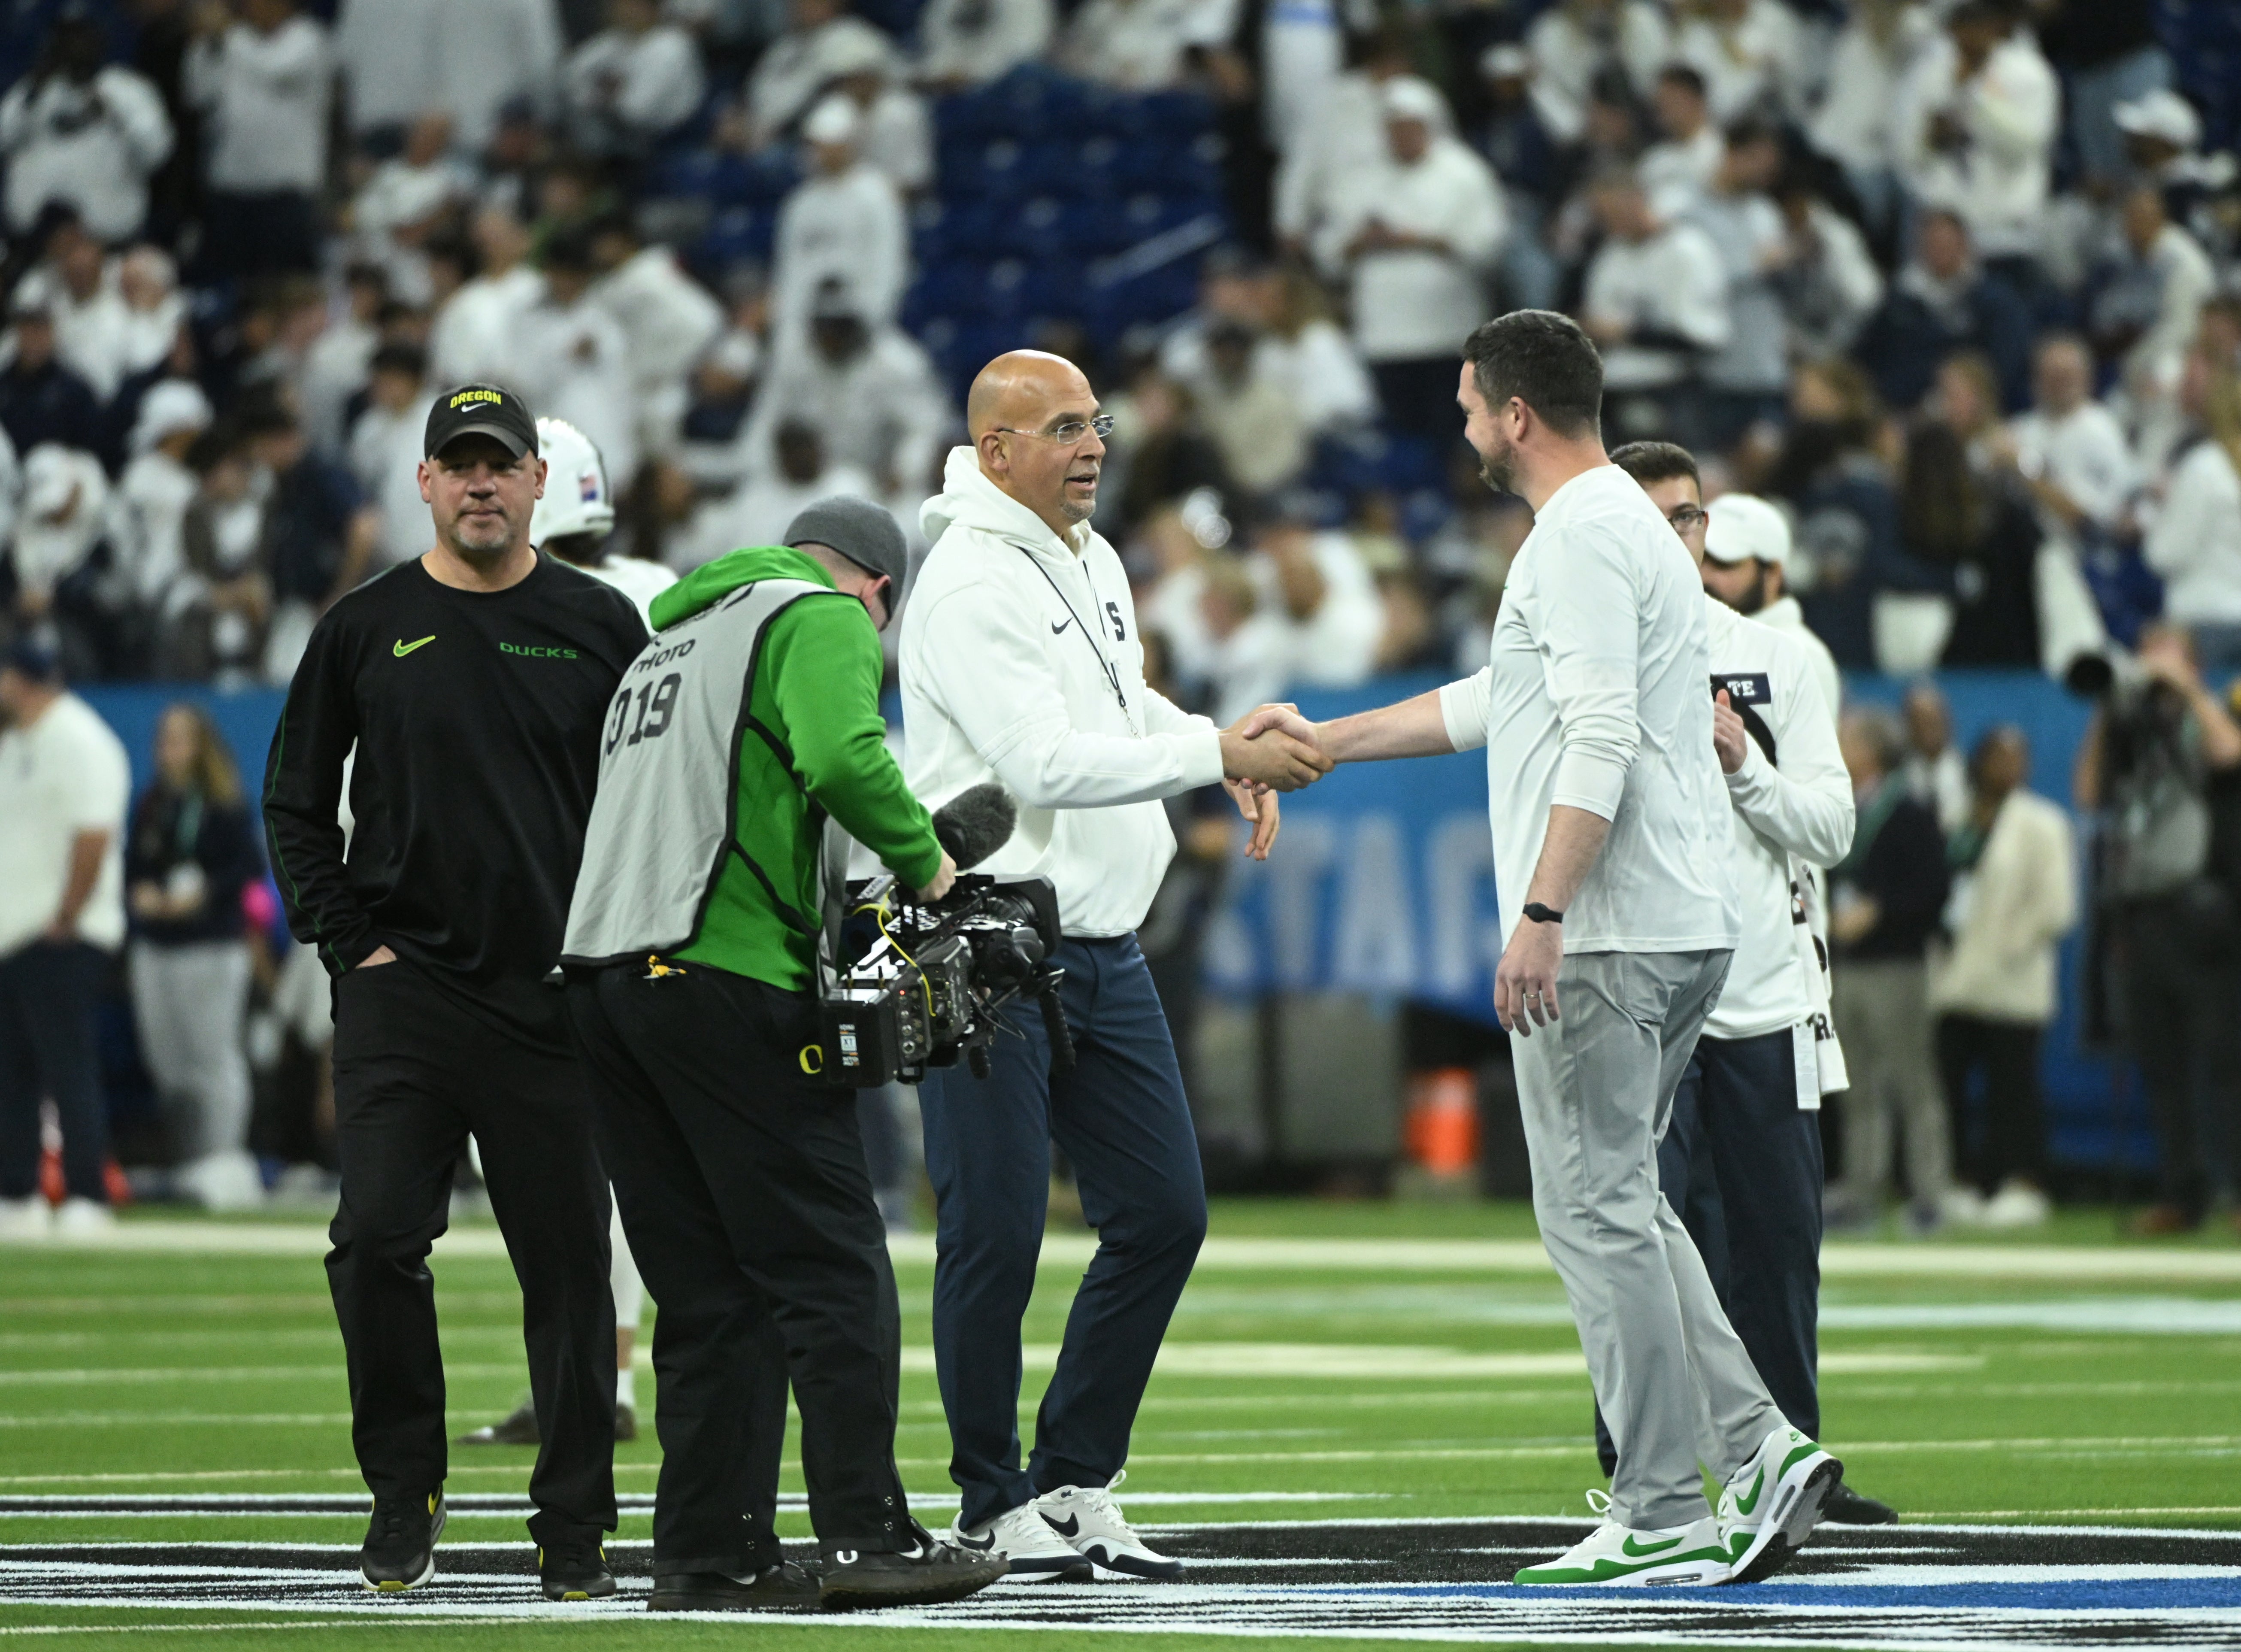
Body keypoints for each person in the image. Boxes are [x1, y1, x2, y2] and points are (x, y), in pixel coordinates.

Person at [1253, 311, 1841, 1585]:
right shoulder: (1624, 522)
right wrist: (1327, 742)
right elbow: (1496, 702)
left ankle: (1662, 1499)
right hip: (1683, 922)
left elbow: (1600, 733)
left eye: (1469, 405)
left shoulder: (1574, 535)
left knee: (1594, 1211)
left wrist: (1543, 911)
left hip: (1610, 929)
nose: (1463, 426)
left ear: (1513, 412)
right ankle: (1755, 1448)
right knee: (1628, 1200)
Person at [899, 350, 1326, 1581]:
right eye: (1064, 428)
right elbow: (1038, 763)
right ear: (995, 451)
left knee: (1163, 1215)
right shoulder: (972, 579)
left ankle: (1074, 1476)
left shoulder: (1085, 556)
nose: (1094, 445)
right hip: (981, 936)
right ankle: (990, 1501)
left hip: (1096, 939)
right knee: (995, 1234)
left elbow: (1120, 707)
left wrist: (1220, 745)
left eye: (1097, 423)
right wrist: (1207, 755)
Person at [560, 496, 1005, 1613]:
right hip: (721, 974)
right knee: (831, 1267)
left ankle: (707, 1554)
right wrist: (934, 872)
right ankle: (867, 1534)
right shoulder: (819, 615)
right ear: (879, 589)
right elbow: (844, 761)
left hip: (608, 983)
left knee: (709, 1292)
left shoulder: (667, 639)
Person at [262, 384, 647, 1597]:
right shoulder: (363, 625)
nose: (480, 484)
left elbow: (658, 802)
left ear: (539, 482)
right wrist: (347, 944)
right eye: (458, 465)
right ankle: (402, 1487)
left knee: (572, 1270)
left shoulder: (601, 623)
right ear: (423, 484)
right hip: (405, 994)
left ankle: (574, 1518)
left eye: (500, 464)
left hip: (553, 999)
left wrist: (621, 955)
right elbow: (293, 798)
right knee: (375, 1236)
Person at [1593, 444, 1894, 1527]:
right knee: (1631, 1232)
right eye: (1653, 517)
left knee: (1776, 1248)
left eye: (1688, 520)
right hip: (1638, 992)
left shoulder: (1778, 659)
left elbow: (1833, 826)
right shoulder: (1575, 652)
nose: (1676, 539)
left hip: (1761, 992)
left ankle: (1793, 1465)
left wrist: (1747, 768)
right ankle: (1647, 1482)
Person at [457, 417, 672, 1450]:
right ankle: (605, 1370)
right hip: (639, 904)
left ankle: (597, 1375)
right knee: (610, 1155)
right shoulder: (657, 589)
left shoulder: (583, 603)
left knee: (574, 1155)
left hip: (570, 911)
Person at [2074, 621, 2241, 1234]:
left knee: (2224, 1060)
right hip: (2135, 908)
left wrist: (2188, 688)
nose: (2149, 661)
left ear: (2191, 661)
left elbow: (2230, 754)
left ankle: (2235, 1190)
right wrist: (2106, 706)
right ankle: (2182, 1192)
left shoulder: (2203, 716)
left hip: (2197, 910)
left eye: (2163, 650)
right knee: (2159, 1060)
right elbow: (2088, 791)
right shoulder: (2126, 724)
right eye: (2144, 650)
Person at [0, 632, 131, 1241]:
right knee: (14, 1072)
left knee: (68, 1065)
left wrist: (66, 914)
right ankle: (17, 1192)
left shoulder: (81, 739)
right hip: (14, 936)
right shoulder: (16, 742)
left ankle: (86, 1194)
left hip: (62, 936)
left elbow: (93, 834)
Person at [1932, 726, 2075, 1228]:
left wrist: (2006, 947)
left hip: (2012, 982)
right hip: (1953, 980)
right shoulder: (1954, 817)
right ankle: (1964, 1181)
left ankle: (2021, 1182)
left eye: (2017, 757)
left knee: (2012, 1088)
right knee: (1948, 1086)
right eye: (1998, 756)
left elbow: (2057, 906)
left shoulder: (2042, 823)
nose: (2007, 767)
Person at [126, 702, 266, 1212]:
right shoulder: (152, 804)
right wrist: (142, 894)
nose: (170, 749)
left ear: (201, 746)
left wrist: (203, 893)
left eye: (180, 739)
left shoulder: (224, 804)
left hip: (211, 946)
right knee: (169, 1062)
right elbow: (134, 867)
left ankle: (224, 1161)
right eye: (164, 739)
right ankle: (191, 1161)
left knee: (214, 1057)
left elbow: (246, 869)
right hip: (159, 946)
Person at [1313, 78, 1505, 441]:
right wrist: (1363, 241)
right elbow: (1327, 253)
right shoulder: (1361, 180)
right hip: (1383, 337)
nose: (1400, 138)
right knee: (1399, 433)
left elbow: (1487, 245)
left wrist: (1417, 240)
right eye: (1392, 130)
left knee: (1455, 431)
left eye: (1409, 128)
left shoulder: (1463, 174)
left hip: (1448, 332)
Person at [1828, 706, 1954, 1233]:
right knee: (1854, 1084)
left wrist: (1878, 911)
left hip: (1894, 965)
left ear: (1871, 751)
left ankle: (1930, 1193)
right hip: (1845, 964)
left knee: (1911, 1081)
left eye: (1847, 737)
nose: (1836, 743)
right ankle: (1861, 1190)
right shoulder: (1836, 806)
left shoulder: (1908, 810)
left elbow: (1933, 889)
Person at [183, 0, 332, 278]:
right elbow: (197, 92)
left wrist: (227, 35)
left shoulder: (309, 39)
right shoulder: (235, 42)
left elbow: (275, 68)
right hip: (230, 190)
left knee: (281, 288)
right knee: (229, 285)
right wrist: (204, 45)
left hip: (285, 194)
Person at [0, 12, 172, 242]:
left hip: (108, 237)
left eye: (82, 39)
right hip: (36, 237)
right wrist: (33, 96)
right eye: (67, 39)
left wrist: (114, 109)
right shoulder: (35, 90)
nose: (75, 47)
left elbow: (157, 153)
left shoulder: (127, 89)